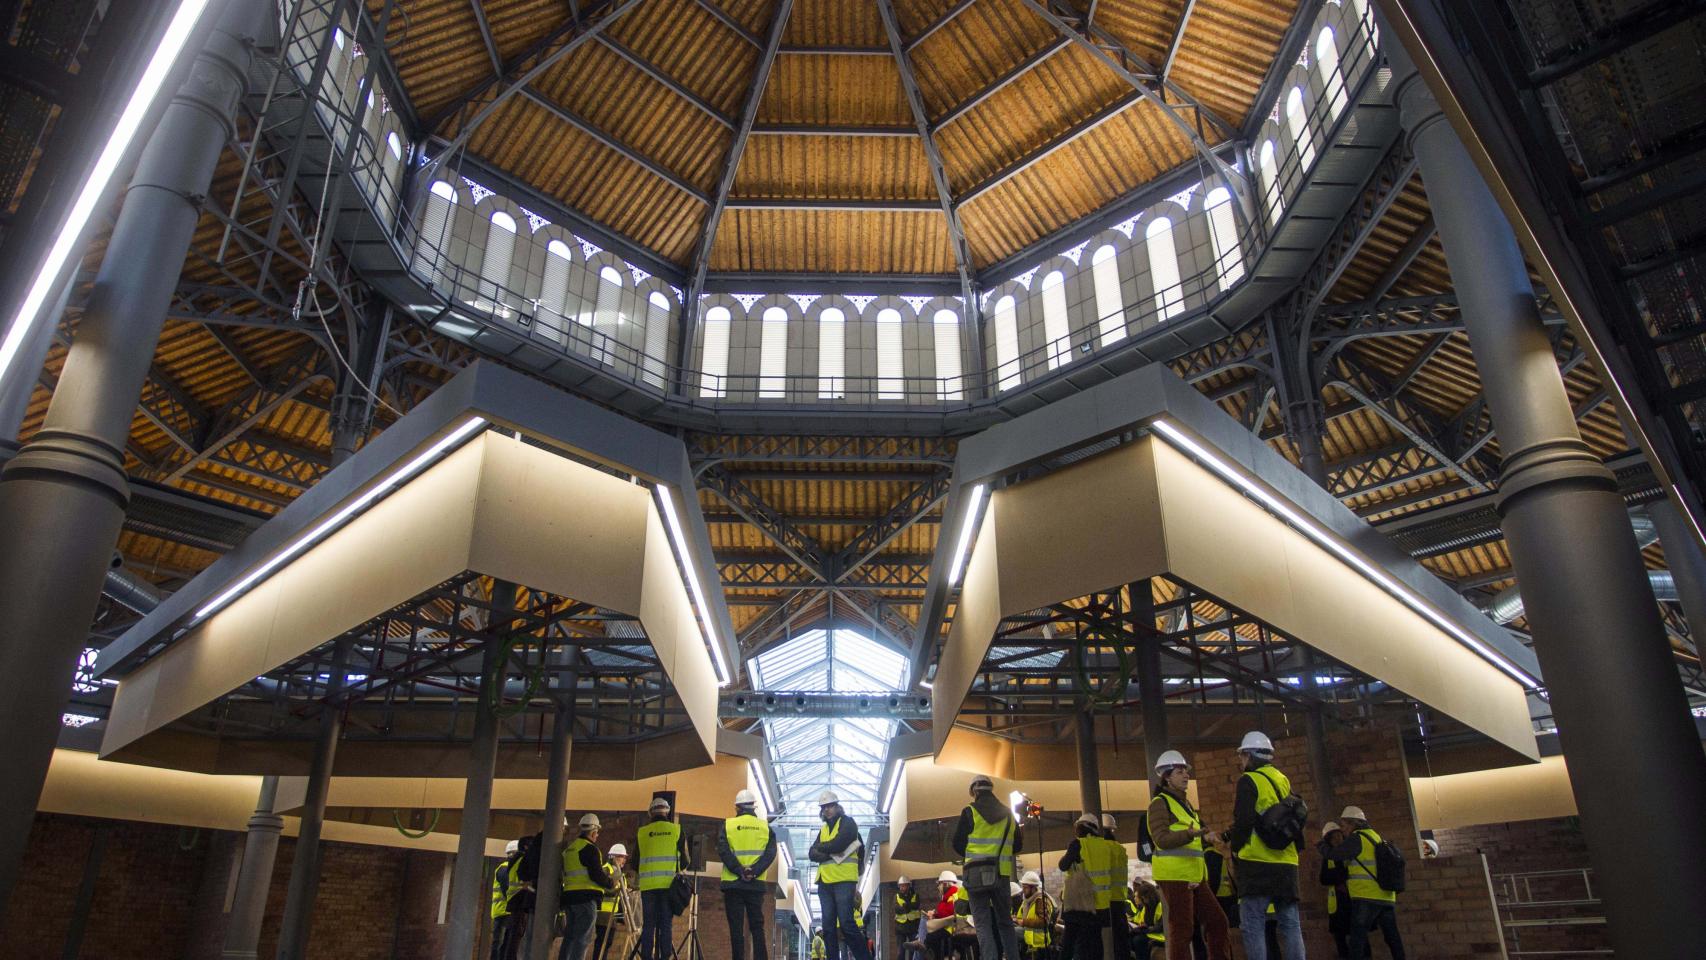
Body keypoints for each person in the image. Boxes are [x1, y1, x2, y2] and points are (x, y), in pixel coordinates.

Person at [1146, 750, 1230, 960]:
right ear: (1167, 776)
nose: (1186, 775)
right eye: (1180, 771)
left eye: (1186, 771)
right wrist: (1189, 834)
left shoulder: (1186, 805)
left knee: (1217, 921)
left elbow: (1191, 838)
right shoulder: (1159, 804)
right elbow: (1161, 839)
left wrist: (1205, 837)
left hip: (1194, 874)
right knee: (1182, 928)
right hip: (1175, 875)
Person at [1227, 732, 1304, 960]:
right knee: (1291, 924)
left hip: (1256, 863)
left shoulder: (1248, 780)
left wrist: (1235, 848)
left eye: (1242, 756)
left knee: (1253, 924)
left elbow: (1244, 821)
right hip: (1286, 862)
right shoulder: (1282, 778)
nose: (1241, 761)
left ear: (1250, 755)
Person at [951, 774, 1025, 960]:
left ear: (974, 791)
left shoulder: (969, 812)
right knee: (1005, 923)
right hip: (1002, 875)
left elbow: (957, 843)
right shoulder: (1009, 814)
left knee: (982, 924)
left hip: (976, 876)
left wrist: (973, 853)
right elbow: (1017, 845)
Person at [1327, 807, 1405, 960]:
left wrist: (1321, 845)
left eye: (1343, 825)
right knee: (1392, 938)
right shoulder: (1375, 836)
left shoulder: (1357, 838)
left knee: (1357, 940)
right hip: (1386, 896)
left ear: (1353, 823)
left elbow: (1334, 854)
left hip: (1366, 896)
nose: (1342, 830)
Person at [811, 791, 873, 960]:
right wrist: (830, 850)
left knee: (846, 923)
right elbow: (811, 853)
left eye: (830, 806)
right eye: (824, 807)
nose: (827, 809)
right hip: (825, 881)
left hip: (844, 880)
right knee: (828, 927)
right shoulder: (824, 829)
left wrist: (822, 848)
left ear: (837, 806)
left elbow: (839, 844)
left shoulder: (848, 823)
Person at [719, 789, 778, 960]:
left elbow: (723, 851)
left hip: (733, 884)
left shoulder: (728, 825)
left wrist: (739, 870)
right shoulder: (765, 827)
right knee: (757, 927)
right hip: (755, 885)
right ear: (754, 806)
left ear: (737, 807)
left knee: (736, 929)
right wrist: (755, 871)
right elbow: (770, 854)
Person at [636, 796, 686, 960]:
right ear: (667, 812)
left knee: (648, 925)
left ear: (651, 813)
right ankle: (665, 957)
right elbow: (685, 861)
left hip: (648, 887)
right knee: (666, 924)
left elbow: (635, 861)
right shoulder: (676, 830)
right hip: (668, 886)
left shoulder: (642, 833)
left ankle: (646, 956)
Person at [561, 814, 616, 960]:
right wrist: (610, 883)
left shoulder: (570, 849)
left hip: (569, 898)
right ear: (593, 832)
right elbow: (596, 875)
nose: (597, 836)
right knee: (582, 938)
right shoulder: (590, 849)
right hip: (585, 899)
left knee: (570, 937)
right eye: (597, 833)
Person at [1058, 815, 1107, 960]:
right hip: (1098, 904)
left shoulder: (1078, 844)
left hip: (1077, 904)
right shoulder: (1103, 846)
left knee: (1070, 944)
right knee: (1095, 945)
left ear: (1081, 828)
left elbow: (1063, 865)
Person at [492, 839, 532, 960]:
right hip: (505, 911)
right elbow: (507, 889)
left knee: (503, 943)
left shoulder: (505, 868)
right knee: (502, 944)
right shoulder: (505, 869)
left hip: (504, 910)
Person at [1317, 822, 1351, 960]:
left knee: (1359, 938)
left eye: (1338, 836)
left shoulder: (1349, 852)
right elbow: (1324, 878)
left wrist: (1337, 876)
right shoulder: (1328, 858)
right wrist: (1339, 876)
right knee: (1340, 940)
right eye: (1333, 837)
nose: (1337, 839)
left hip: (1352, 901)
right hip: (1337, 905)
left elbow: (1347, 873)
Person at [591, 843, 630, 960]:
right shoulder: (606, 870)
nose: (624, 860)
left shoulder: (618, 872)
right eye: (622, 857)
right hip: (604, 913)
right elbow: (604, 888)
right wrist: (617, 890)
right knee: (602, 942)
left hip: (612, 913)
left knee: (607, 942)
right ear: (614, 857)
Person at [922, 871, 963, 960]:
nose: (938, 887)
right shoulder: (948, 895)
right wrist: (935, 914)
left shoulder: (953, 894)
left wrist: (935, 914)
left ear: (945, 884)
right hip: (950, 925)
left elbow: (949, 912)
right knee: (931, 936)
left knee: (931, 937)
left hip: (952, 927)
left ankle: (925, 949)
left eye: (940, 884)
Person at [1015, 871, 1055, 960]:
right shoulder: (1027, 901)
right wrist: (1015, 919)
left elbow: (1044, 922)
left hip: (1039, 943)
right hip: (1029, 939)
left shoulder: (1041, 900)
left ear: (1033, 888)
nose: (1023, 890)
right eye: (1023, 887)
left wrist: (1024, 922)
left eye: (1025, 887)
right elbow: (1021, 916)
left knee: (1012, 932)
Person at [1130, 883, 1163, 960]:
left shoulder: (1160, 906)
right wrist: (1143, 927)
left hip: (1161, 936)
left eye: (1144, 898)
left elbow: (1160, 927)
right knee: (1131, 937)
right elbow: (1147, 923)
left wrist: (1146, 929)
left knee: (1138, 940)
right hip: (1152, 933)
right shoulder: (1147, 907)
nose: (1144, 901)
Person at [897, 875, 923, 946]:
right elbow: (896, 909)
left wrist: (906, 906)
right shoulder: (897, 896)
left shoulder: (915, 895)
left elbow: (916, 905)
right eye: (900, 886)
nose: (901, 888)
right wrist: (908, 907)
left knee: (913, 948)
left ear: (908, 886)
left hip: (913, 926)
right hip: (901, 927)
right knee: (901, 950)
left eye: (903, 886)